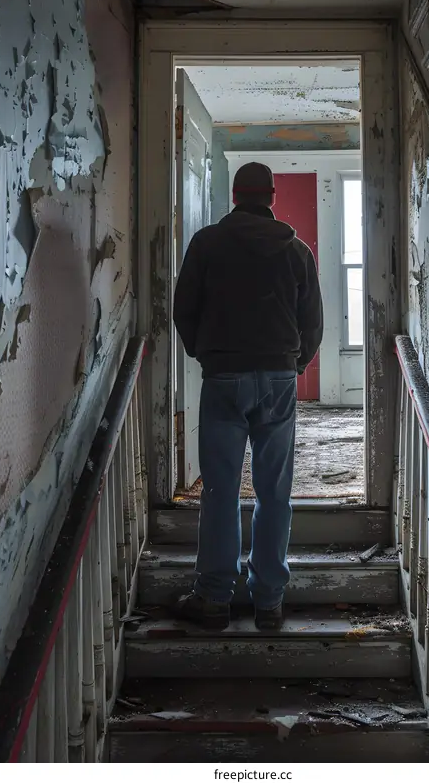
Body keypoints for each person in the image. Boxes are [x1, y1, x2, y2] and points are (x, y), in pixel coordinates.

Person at [172, 161, 323, 631]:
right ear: (272, 197)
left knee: (219, 490)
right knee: (274, 491)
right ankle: (269, 601)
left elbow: (184, 309)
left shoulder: (206, 243)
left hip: (223, 377)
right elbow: (313, 324)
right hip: (277, 378)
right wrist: (293, 366)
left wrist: (206, 354)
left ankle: (215, 597)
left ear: (236, 195)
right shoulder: (296, 251)